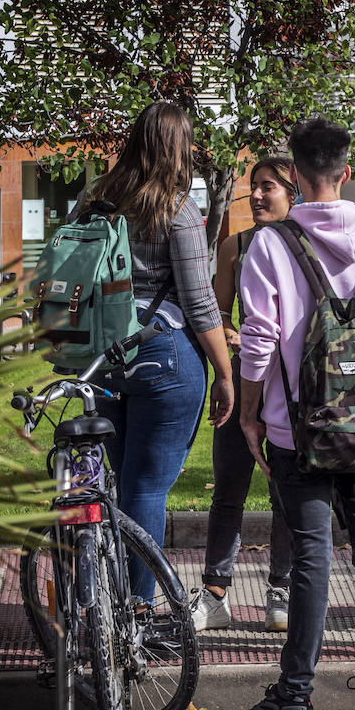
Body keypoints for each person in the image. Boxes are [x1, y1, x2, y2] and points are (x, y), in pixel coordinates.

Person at [233, 117, 355, 710]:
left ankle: (295, 698)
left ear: (294, 174)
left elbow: (258, 340)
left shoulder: (271, 245)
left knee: (312, 555)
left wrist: (252, 411)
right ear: (346, 172)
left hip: (297, 429)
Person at [89, 102, 234, 601]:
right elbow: (199, 302)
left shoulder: (97, 198)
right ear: (177, 147)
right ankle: (139, 609)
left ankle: (110, 599)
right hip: (161, 352)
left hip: (101, 356)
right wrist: (225, 373)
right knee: (147, 488)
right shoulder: (177, 208)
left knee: (124, 482)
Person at [190, 157, 295, 634]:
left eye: (267, 187)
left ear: (293, 192)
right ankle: (215, 592)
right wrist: (230, 346)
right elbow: (219, 313)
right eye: (253, 187)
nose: (255, 196)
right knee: (228, 489)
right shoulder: (235, 246)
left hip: (290, 390)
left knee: (286, 493)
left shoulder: (304, 245)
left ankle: (282, 589)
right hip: (241, 382)